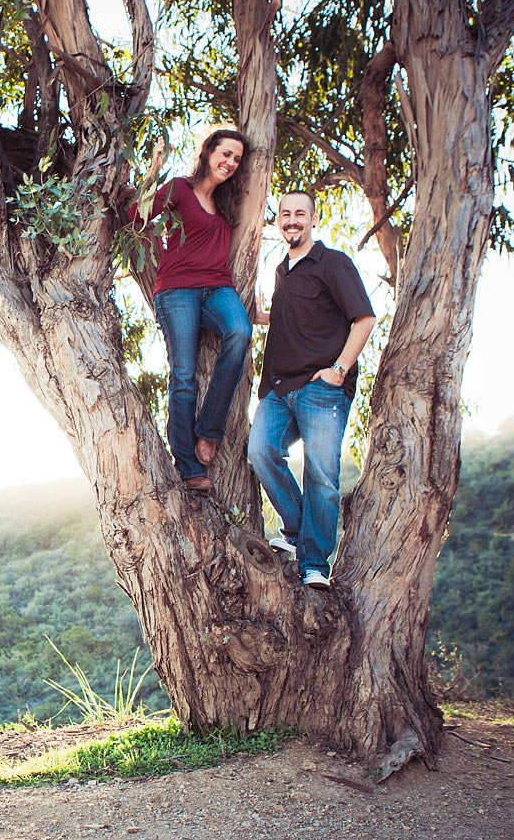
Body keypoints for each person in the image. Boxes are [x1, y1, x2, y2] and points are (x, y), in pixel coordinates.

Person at [249, 190, 376, 589]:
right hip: (277, 387)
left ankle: (315, 564)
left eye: (299, 214)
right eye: (285, 214)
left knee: (321, 475)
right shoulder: (281, 271)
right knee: (260, 451)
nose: (292, 220)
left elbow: (365, 319)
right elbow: (296, 318)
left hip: (321, 389)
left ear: (314, 219)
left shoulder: (333, 263)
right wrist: (260, 315)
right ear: (278, 221)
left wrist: (339, 370)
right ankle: (297, 531)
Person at [136, 129, 253, 492]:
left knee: (240, 332)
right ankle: (188, 466)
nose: (231, 163)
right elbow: (135, 217)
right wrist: (153, 170)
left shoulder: (229, 203)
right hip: (177, 291)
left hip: (218, 287)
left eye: (236, 159)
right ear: (208, 152)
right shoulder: (179, 189)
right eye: (226, 153)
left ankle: (209, 429)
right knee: (183, 375)